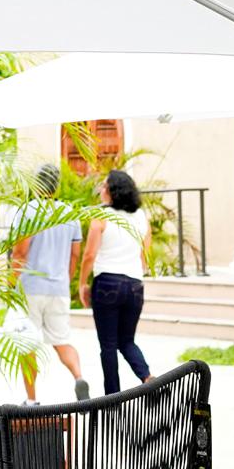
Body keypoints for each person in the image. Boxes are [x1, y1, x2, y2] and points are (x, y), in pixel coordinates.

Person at [9, 163, 89, 401]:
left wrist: (11, 283)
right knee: (62, 341)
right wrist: (67, 279)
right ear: (56, 186)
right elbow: (75, 255)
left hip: (30, 288)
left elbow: (20, 252)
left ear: (36, 184)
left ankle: (32, 400)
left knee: (28, 345)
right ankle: (78, 377)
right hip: (58, 288)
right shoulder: (70, 214)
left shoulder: (27, 212)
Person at [78, 169, 152, 396]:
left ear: (113, 192)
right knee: (127, 341)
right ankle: (148, 379)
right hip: (134, 286)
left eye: (104, 186)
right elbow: (145, 257)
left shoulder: (102, 216)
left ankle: (113, 398)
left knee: (108, 346)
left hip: (108, 284)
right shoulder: (141, 217)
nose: (101, 189)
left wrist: (82, 284)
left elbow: (89, 255)